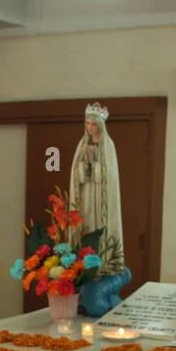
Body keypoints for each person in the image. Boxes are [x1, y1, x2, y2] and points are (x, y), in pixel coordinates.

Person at [68, 102, 125, 272]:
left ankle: (104, 260)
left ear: (100, 125)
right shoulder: (83, 145)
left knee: (99, 224)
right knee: (85, 223)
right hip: (86, 194)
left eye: (93, 124)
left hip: (101, 196)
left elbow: (110, 175)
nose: (90, 127)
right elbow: (75, 173)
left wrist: (94, 167)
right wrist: (83, 169)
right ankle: (83, 260)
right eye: (87, 123)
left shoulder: (108, 145)